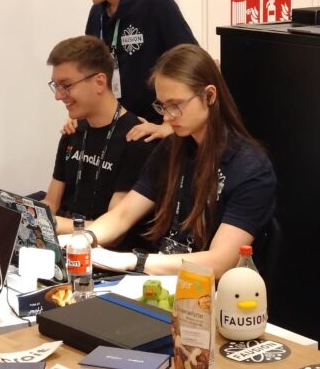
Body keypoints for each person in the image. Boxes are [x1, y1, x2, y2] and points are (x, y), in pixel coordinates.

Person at [62, 44, 277, 278]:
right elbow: (123, 215)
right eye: (162, 106)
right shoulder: (171, 148)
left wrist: (133, 261)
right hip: (161, 280)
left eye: (175, 105)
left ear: (209, 96)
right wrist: (85, 238)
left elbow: (220, 261)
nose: (166, 116)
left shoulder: (250, 168)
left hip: (206, 290)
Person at [59, 0, 197, 143]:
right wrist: (81, 114)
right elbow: (91, 75)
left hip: (152, 132)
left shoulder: (157, 5)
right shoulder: (96, 15)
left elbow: (193, 67)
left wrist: (168, 126)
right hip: (114, 134)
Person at [45, 35, 153, 235]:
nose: (58, 96)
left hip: (99, 247)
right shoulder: (73, 131)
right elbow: (51, 203)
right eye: (56, 86)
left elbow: (115, 229)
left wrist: (50, 223)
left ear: (99, 82)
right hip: (63, 237)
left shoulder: (136, 138)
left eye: (66, 86)